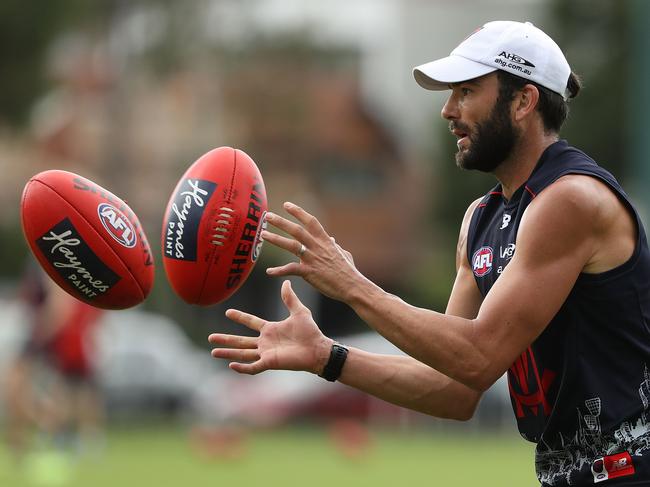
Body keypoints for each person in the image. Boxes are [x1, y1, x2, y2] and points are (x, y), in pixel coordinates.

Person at [208, 20, 650, 486]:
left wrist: (352, 285)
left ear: (523, 101)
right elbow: (454, 389)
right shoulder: (481, 219)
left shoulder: (570, 200)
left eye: (466, 91)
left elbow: (479, 357)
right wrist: (326, 356)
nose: (447, 109)